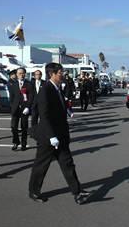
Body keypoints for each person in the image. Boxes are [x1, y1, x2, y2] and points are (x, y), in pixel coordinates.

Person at [28, 63, 92, 204]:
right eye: (60, 73)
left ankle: (77, 192)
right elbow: (44, 115)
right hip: (48, 137)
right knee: (41, 165)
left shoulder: (57, 88)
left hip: (61, 134)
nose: (62, 75)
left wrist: (67, 110)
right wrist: (51, 136)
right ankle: (34, 191)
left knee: (68, 164)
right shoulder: (45, 90)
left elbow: (59, 106)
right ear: (52, 74)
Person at [9, 67, 34, 151]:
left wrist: (28, 107)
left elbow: (31, 97)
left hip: (25, 109)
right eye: (19, 73)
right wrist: (12, 106)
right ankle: (16, 142)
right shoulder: (14, 84)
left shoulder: (29, 84)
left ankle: (24, 143)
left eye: (23, 73)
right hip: (15, 108)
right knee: (13, 127)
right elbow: (11, 97)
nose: (21, 75)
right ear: (16, 75)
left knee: (24, 127)